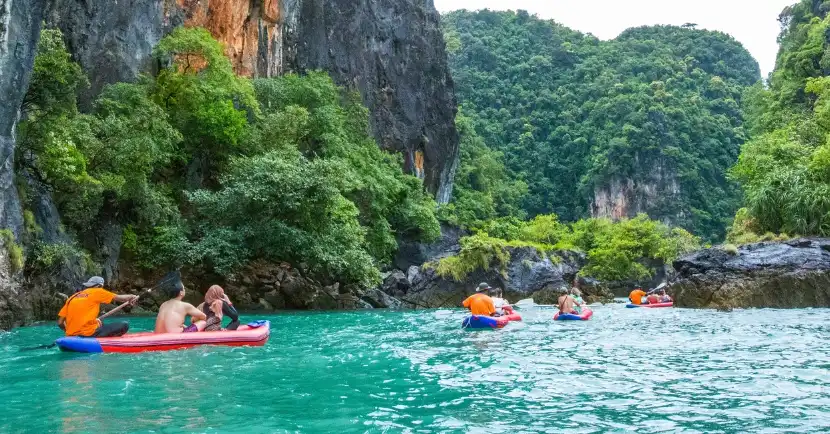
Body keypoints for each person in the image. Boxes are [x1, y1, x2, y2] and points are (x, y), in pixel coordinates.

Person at [57, 276, 139, 337]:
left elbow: (60, 323)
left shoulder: (72, 297)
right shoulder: (98, 291)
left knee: (100, 323)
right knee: (124, 325)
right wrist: (132, 296)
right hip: (88, 333)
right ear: (98, 286)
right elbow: (120, 298)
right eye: (102, 287)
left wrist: (70, 333)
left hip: (71, 334)